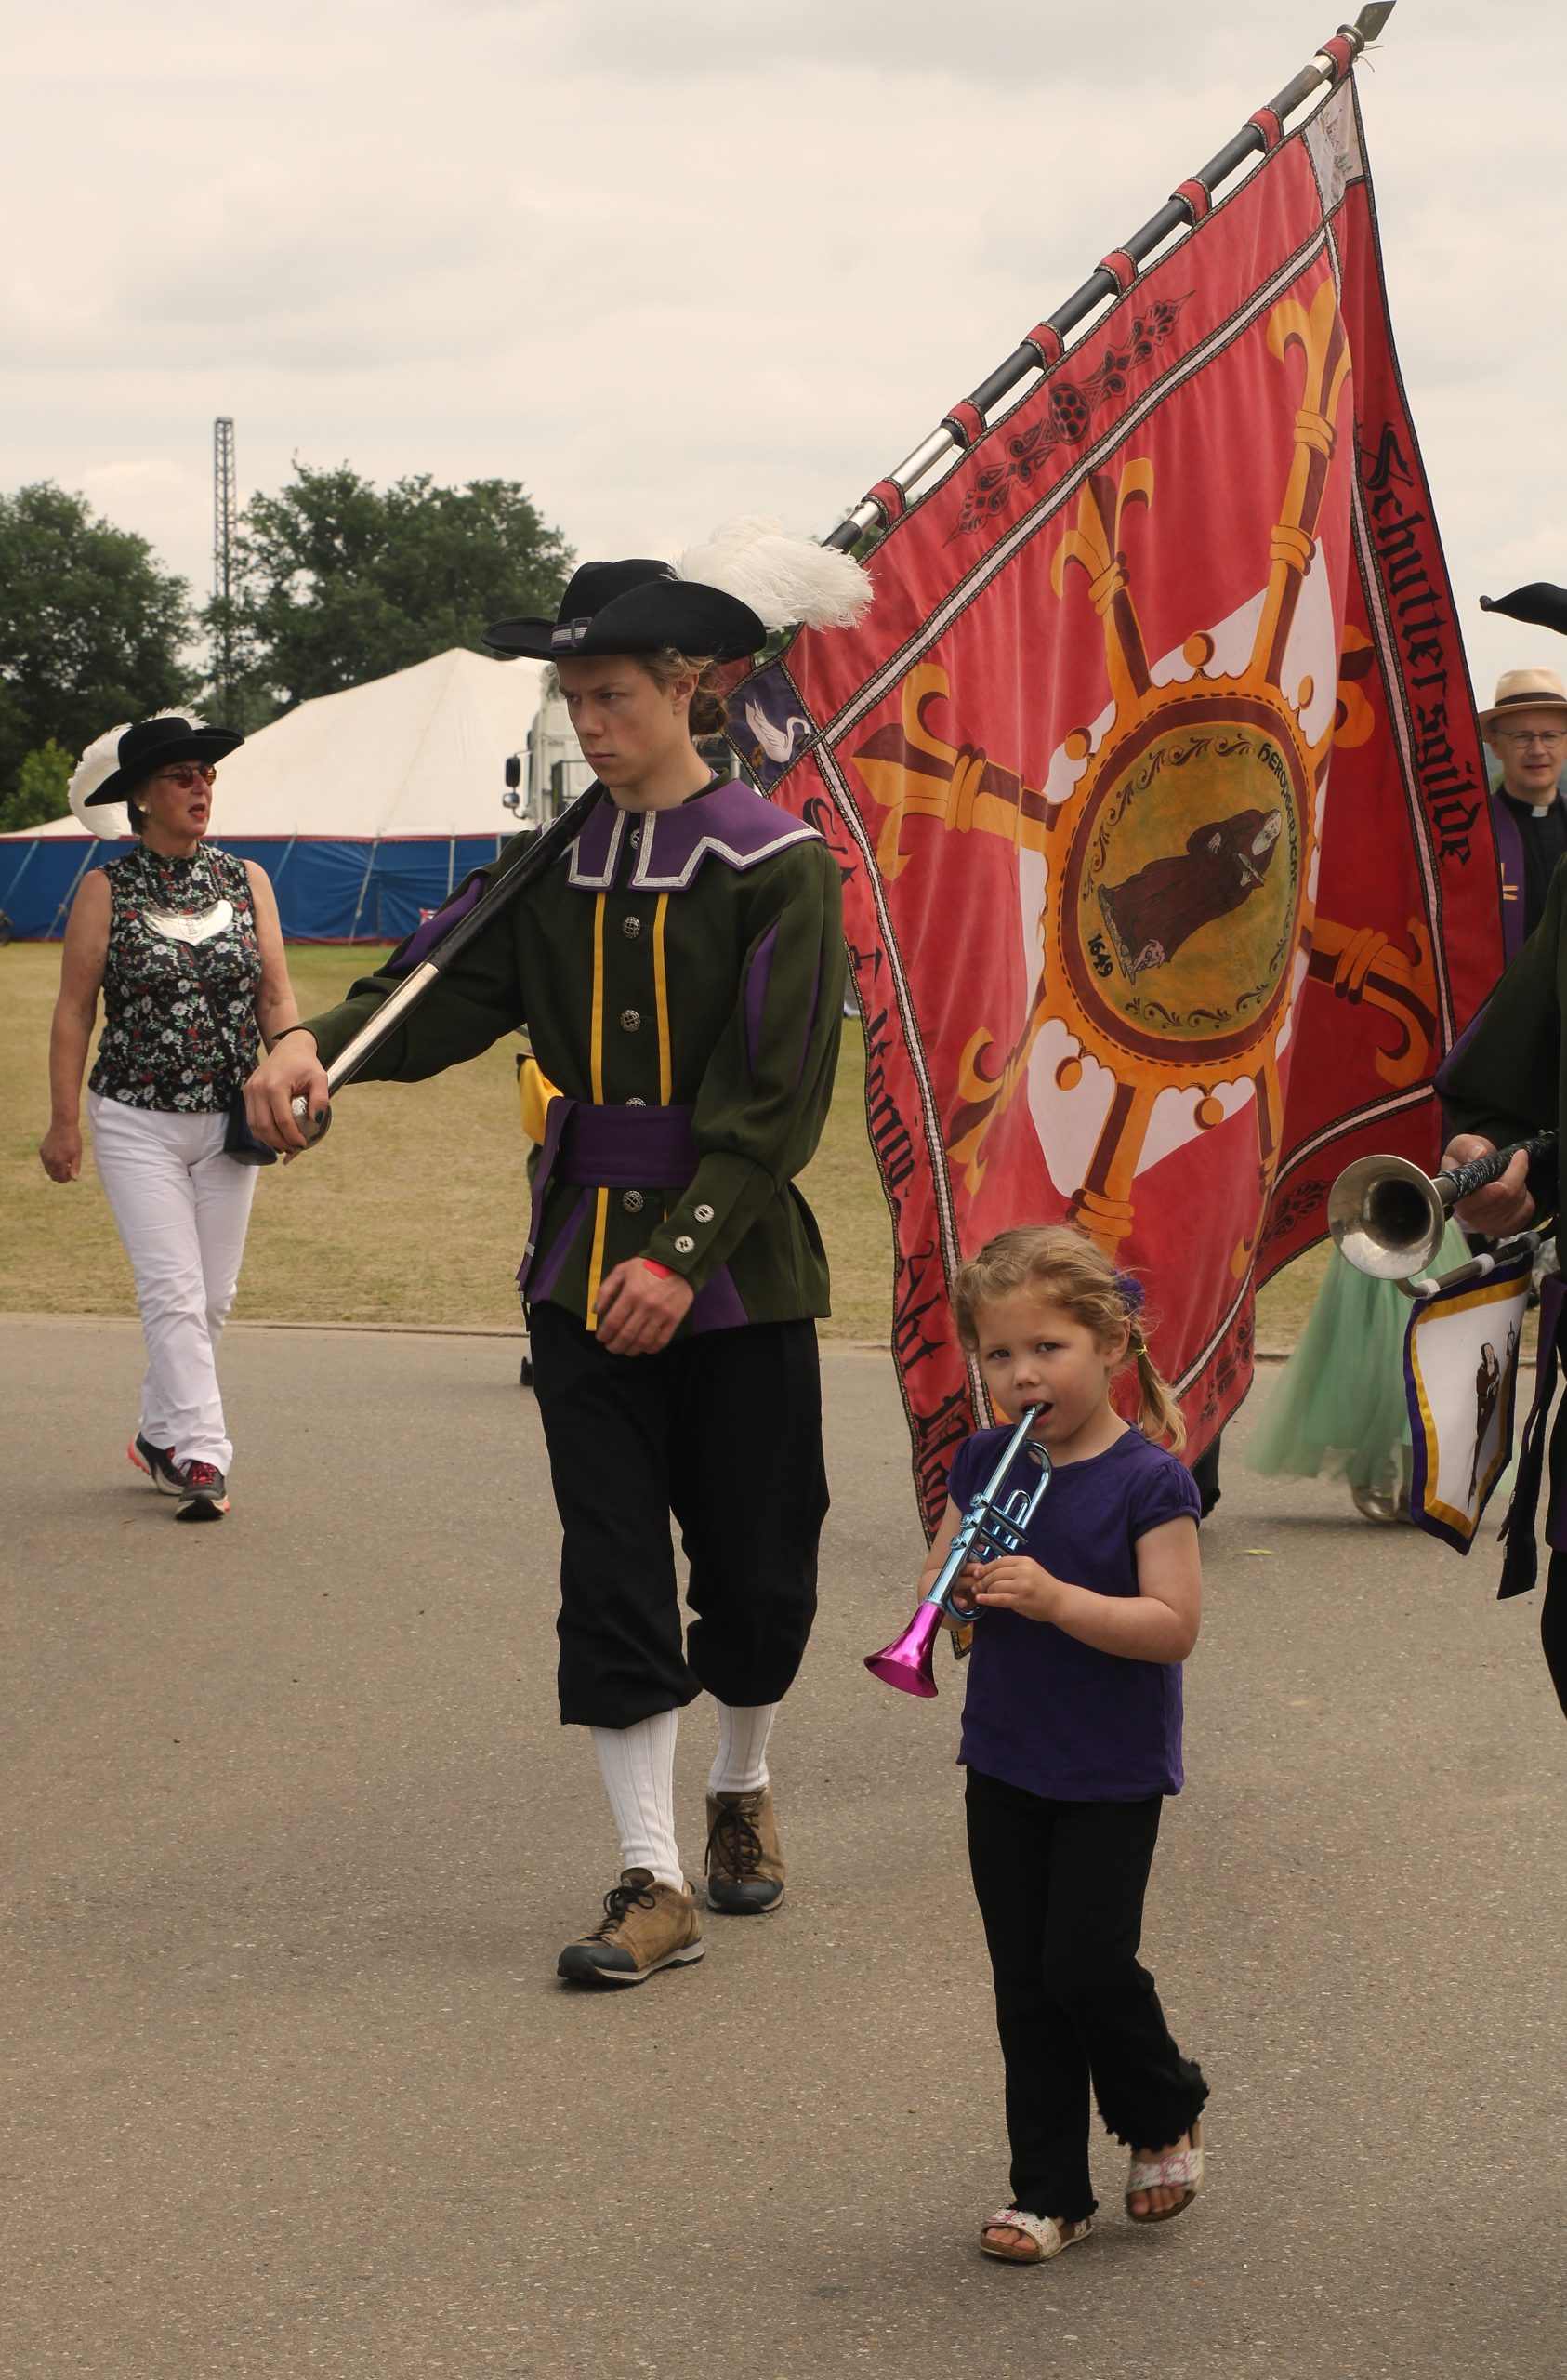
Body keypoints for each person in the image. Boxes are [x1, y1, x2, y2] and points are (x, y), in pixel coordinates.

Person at [243, 538, 868, 1982]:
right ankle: (651, 1878)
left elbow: (777, 1102)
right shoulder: (550, 866)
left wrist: (683, 1255)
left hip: (740, 1270)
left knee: (759, 1576)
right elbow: (432, 995)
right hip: (579, 1268)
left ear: (686, 687)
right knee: (612, 1570)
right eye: (571, 698)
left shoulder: (775, 864)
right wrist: (312, 1053)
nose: (586, 723)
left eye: (610, 696)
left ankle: (740, 1780)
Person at [904, 1223, 1206, 2265]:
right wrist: (949, 1597)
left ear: (1111, 1343)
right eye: (998, 1354)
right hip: (1003, 1756)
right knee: (1023, 1986)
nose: (1022, 1374)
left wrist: (1057, 1599)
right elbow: (941, 1580)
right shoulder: (984, 1458)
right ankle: (1049, 2192)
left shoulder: (1151, 1481)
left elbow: (1173, 1626)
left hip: (1111, 1768)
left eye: (1048, 1348)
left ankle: (1162, 2105)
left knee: (1086, 1965)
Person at [37, 715, 300, 1520]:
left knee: (212, 1298)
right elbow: (75, 1010)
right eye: (182, 776)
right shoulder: (105, 889)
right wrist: (64, 1121)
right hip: (135, 1119)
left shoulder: (247, 879)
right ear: (142, 798)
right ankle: (202, 1455)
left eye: (207, 774)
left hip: (229, 1121)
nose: (200, 787)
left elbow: (275, 997)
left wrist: (293, 1074)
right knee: (173, 1293)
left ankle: (158, 1434)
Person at [1480, 667, 1567, 963]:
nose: (1537, 749)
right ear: (1495, 744)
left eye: (1550, 736)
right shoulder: (1469, 835)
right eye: (1521, 737)